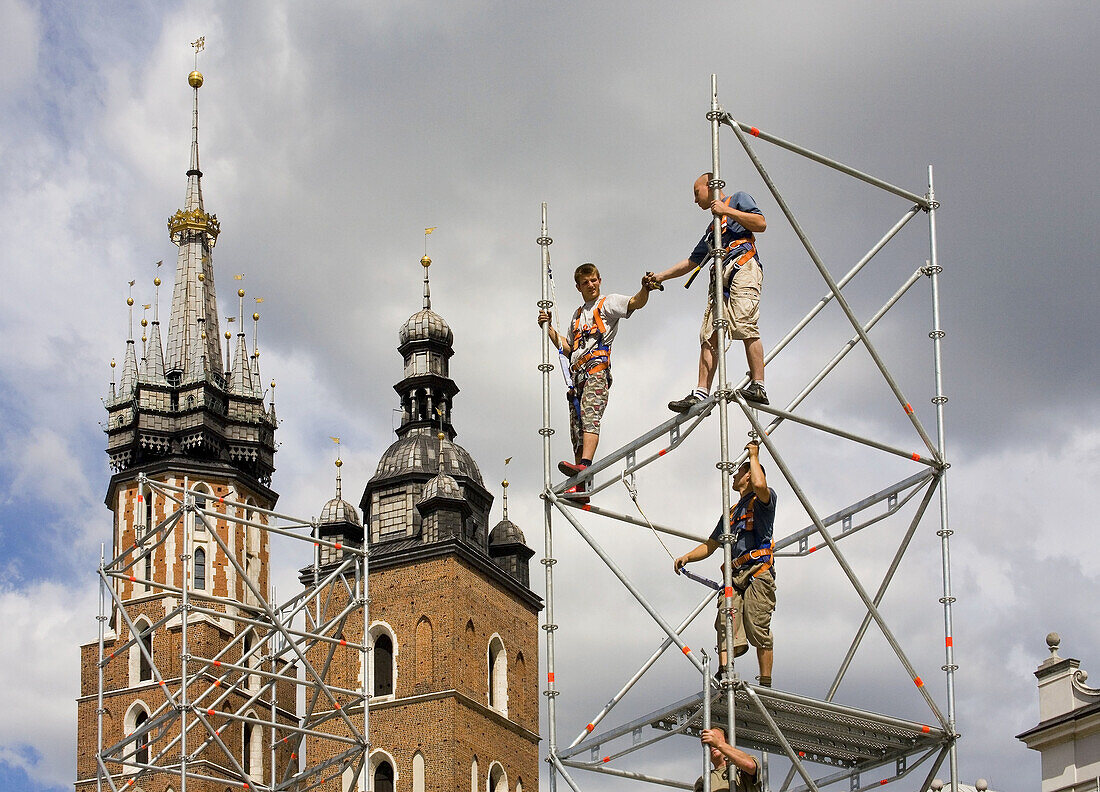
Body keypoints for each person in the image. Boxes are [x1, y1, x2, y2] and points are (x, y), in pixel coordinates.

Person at [538, 263, 660, 498]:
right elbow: (567, 347)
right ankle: (580, 485)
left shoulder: (608, 303)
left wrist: (645, 289)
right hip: (578, 376)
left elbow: (635, 303)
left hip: (596, 370)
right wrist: (548, 328)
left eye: (593, 280)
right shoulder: (577, 315)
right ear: (578, 286)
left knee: (589, 417)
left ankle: (585, 466)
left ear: (599, 280)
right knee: (577, 428)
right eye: (586, 282)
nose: (591, 285)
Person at [654, 173, 769, 411]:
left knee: (744, 323)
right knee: (709, 335)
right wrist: (661, 276)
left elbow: (761, 224)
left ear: (710, 186)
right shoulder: (712, 228)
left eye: (697, 193)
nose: (696, 201)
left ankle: (759, 385)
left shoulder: (737, 199)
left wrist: (728, 212)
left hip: (742, 266)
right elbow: (692, 261)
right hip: (720, 276)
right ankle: (700, 392)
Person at [674, 442, 775, 686]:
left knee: (757, 623)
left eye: (739, 472)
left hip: (756, 572)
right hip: (735, 574)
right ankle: (724, 673)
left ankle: (765, 683)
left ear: (748, 475)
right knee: (725, 621)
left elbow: (760, 484)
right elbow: (711, 544)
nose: (734, 476)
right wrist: (687, 556)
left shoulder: (763, 500)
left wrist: (754, 455)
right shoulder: (730, 512)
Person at [693, 726, 760, 792]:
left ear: (727, 742)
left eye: (716, 739)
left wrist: (718, 744)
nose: (712, 745)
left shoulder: (739, 767)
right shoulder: (704, 780)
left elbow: (750, 766)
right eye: (709, 744)